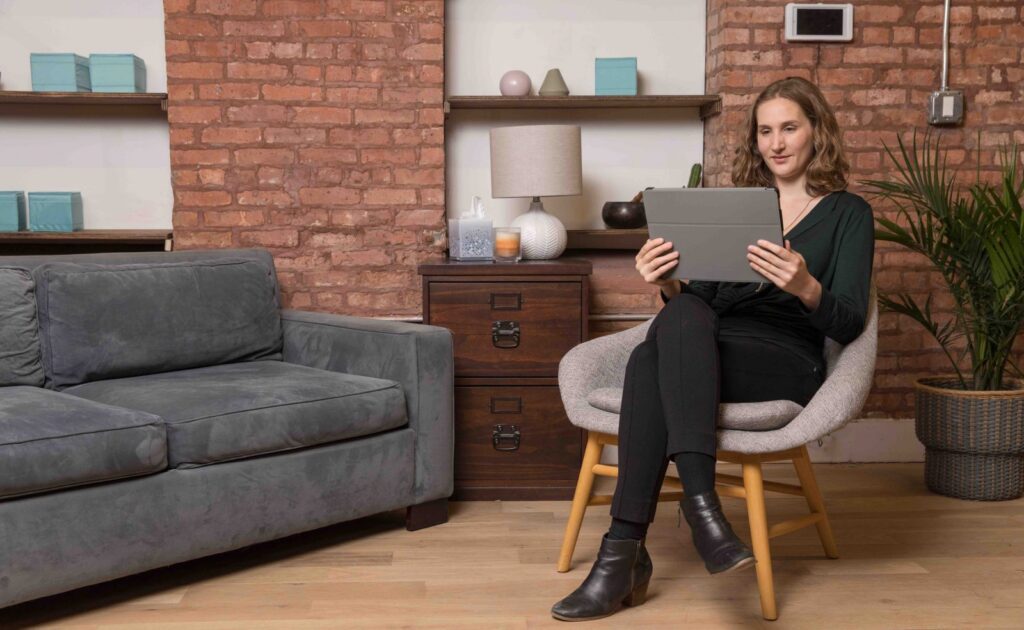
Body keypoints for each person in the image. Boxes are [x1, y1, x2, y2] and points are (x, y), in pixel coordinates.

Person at [551, 76, 875, 622]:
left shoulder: (848, 213)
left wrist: (804, 285)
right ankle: (699, 515)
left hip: (784, 358)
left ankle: (622, 557)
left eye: (789, 128)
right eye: (765, 131)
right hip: (706, 345)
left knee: (648, 361)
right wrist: (668, 280)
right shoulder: (739, 207)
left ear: (817, 132)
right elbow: (697, 300)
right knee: (672, 322)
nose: (776, 143)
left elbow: (847, 323)